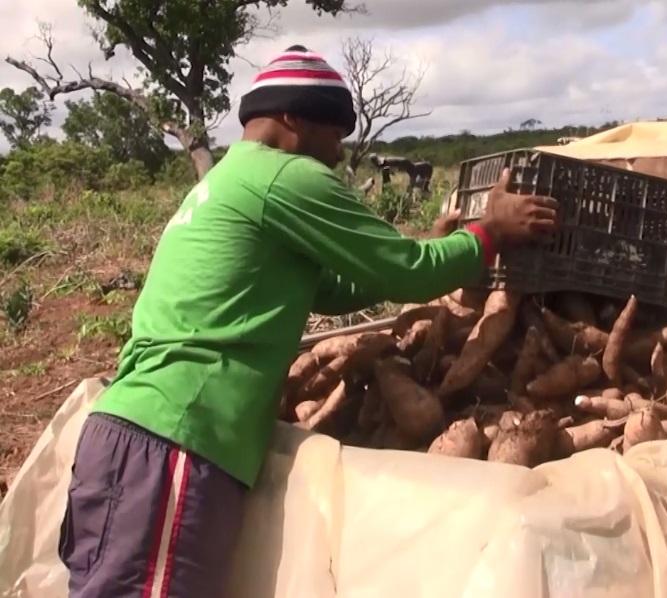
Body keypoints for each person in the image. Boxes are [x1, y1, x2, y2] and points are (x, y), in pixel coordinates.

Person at [57, 45, 558, 598]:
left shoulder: (229, 181)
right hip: (174, 438)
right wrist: (490, 233)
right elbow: (407, 274)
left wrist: (431, 248)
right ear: (293, 122)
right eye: (334, 134)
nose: (339, 153)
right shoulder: (285, 176)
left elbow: (341, 286)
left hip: (133, 436)